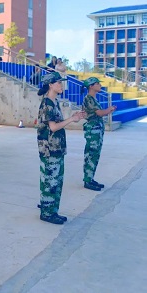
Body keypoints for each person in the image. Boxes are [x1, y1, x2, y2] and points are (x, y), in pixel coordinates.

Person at [37, 72, 85, 225]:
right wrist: (71, 119)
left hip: (57, 148)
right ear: (50, 85)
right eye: (58, 82)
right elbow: (53, 126)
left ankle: (52, 211)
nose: (61, 85)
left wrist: (73, 117)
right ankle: (46, 213)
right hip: (49, 149)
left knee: (56, 181)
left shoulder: (54, 101)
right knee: (50, 182)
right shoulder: (47, 104)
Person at [82, 77, 117, 191]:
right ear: (91, 86)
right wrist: (109, 109)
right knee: (91, 155)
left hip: (97, 131)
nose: (99, 85)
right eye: (97, 83)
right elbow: (100, 113)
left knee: (95, 155)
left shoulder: (93, 99)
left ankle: (90, 178)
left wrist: (109, 110)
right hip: (93, 131)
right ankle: (87, 180)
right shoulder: (89, 99)